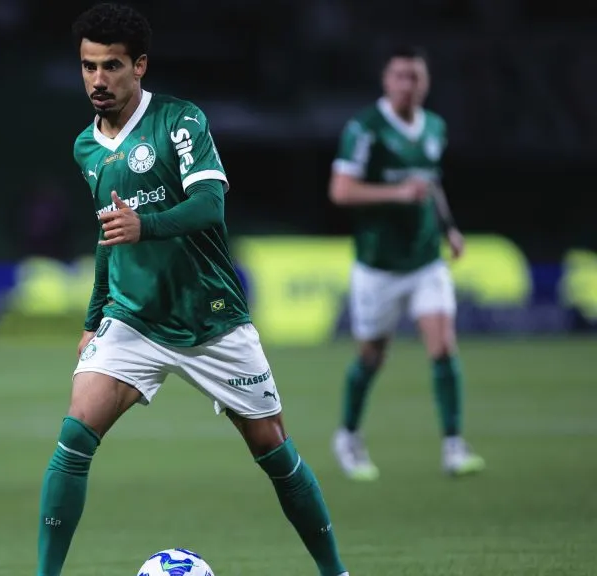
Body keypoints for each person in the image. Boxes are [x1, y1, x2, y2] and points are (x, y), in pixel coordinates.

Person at [35, 4, 349, 576]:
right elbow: (111, 235)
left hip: (212, 320)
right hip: (134, 320)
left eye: (111, 66)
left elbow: (210, 205)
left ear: (141, 67)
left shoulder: (181, 122)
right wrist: (92, 318)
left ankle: (336, 572)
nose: (97, 81)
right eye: (88, 67)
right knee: (74, 438)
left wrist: (145, 225)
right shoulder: (86, 147)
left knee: (274, 451)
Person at [328, 46, 486, 481]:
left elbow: (430, 183)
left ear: (426, 82)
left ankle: (454, 444)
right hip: (378, 265)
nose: (408, 85)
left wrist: (449, 227)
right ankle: (348, 436)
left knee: (442, 345)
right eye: (400, 76)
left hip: (425, 261)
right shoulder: (366, 129)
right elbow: (341, 191)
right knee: (372, 357)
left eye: (415, 77)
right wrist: (397, 194)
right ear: (386, 80)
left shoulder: (435, 127)